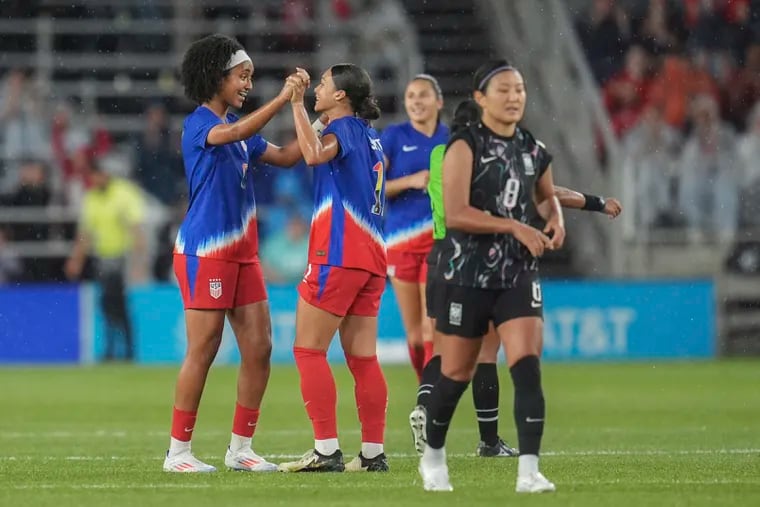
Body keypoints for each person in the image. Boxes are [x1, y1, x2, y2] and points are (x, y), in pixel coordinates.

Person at [411, 101, 623, 460]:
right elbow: (546, 192)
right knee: (487, 354)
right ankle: (489, 441)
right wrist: (594, 202)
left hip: (439, 257)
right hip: (479, 258)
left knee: (444, 347)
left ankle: (425, 405)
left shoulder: (438, 156)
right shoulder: (485, 157)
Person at [163, 33, 309, 473]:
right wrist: (283, 98)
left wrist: (321, 123)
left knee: (260, 347)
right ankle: (178, 453)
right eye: (242, 76)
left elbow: (285, 157)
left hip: (243, 253)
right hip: (206, 251)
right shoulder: (200, 124)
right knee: (204, 349)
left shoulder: (239, 131)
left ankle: (240, 448)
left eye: (250, 77)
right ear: (216, 77)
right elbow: (239, 131)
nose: (248, 84)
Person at [418, 59, 565, 493]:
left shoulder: (532, 149)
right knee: (456, 374)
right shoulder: (464, 146)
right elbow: (459, 214)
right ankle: (434, 456)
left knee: (527, 367)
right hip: (468, 273)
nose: (514, 96)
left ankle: (529, 471)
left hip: (517, 272)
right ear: (480, 98)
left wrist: (555, 219)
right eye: (503, 89)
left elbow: (546, 199)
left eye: (519, 88)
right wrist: (514, 226)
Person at [277, 64, 389, 473]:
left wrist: (295, 106)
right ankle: (373, 454)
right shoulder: (370, 137)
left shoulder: (340, 133)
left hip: (339, 254)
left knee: (308, 350)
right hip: (373, 258)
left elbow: (310, 154)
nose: (317, 88)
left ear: (341, 95)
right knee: (363, 359)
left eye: (323, 84)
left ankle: (326, 450)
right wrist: (313, 116)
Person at [381, 74, 448, 381]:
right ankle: (425, 388)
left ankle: (431, 396)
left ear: (439, 101)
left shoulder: (452, 139)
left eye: (423, 95)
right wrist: (410, 180)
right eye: (410, 97)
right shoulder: (394, 137)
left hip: (438, 241)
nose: (416, 102)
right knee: (415, 336)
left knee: (430, 325)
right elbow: (373, 187)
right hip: (399, 242)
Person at [64, 160, 146, 362]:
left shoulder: (123, 193)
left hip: (121, 257)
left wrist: (138, 262)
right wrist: (76, 260)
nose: (94, 180)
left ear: (104, 174)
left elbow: (135, 229)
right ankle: (118, 349)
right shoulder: (92, 198)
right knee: (108, 304)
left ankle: (125, 350)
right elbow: (85, 234)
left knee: (115, 303)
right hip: (102, 258)